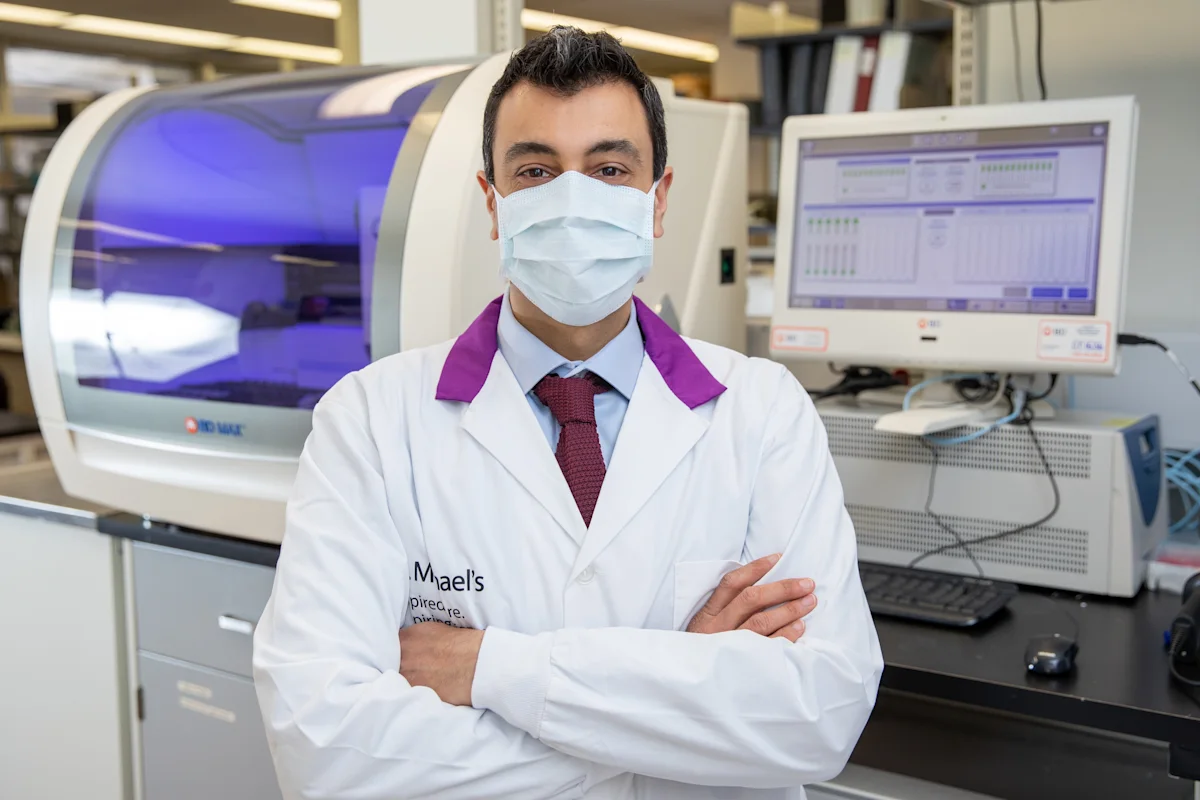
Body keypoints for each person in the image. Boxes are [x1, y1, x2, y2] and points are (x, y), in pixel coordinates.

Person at [254, 26, 883, 800]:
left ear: (659, 202)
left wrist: (489, 667)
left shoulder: (763, 412)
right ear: (493, 201)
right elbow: (330, 753)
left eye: (610, 168)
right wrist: (671, 703)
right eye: (537, 171)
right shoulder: (371, 421)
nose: (574, 198)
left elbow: (820, 715)